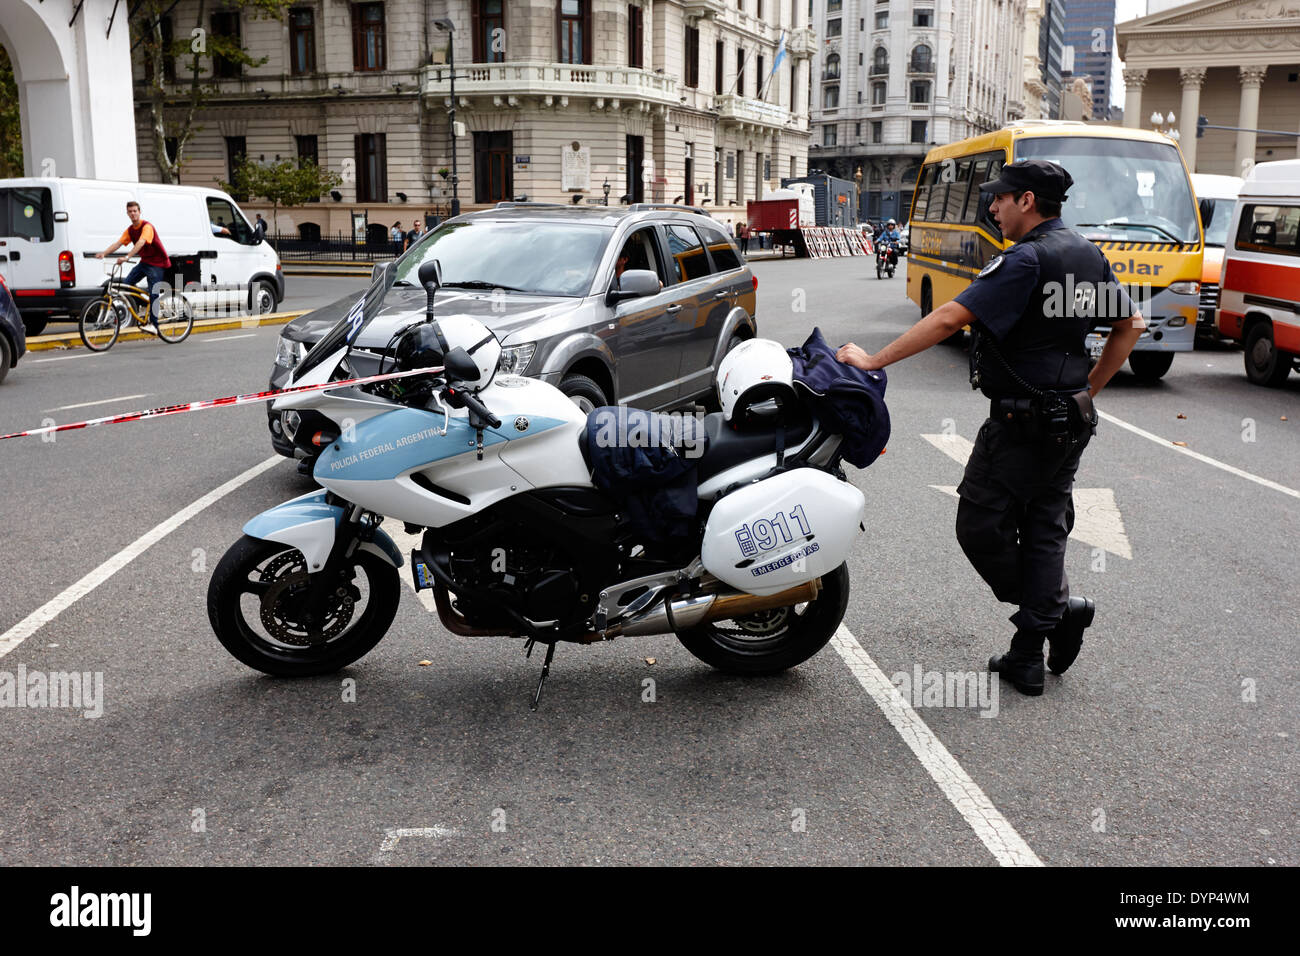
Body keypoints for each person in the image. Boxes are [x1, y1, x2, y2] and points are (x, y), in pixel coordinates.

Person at [835, 159, 1146, 697]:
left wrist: (872, 361)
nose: (993, 208)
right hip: (1070, 418)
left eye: (999, 199)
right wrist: (1089, 390)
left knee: (979, 526)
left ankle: (1049, 612)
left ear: (1026, 201)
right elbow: (1130, 325)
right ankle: (1029, 651)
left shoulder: (1025, 260)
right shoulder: (1086, 253)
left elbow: (949, 319)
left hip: (1020, 422)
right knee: (1045, 527)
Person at [95, 200, 172, 332]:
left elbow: (141, 242)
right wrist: (104, 253)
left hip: (158, 264)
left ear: (139, 212)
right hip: (145, 262)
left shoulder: (147, 227)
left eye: (135, 211)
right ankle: (143, 306)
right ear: (127, 213)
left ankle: (154, 325)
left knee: (154, 293)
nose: (133, 214)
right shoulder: (130, 230)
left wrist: (127, 257)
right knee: (126, 285)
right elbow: (118, 243)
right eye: (130, 212)